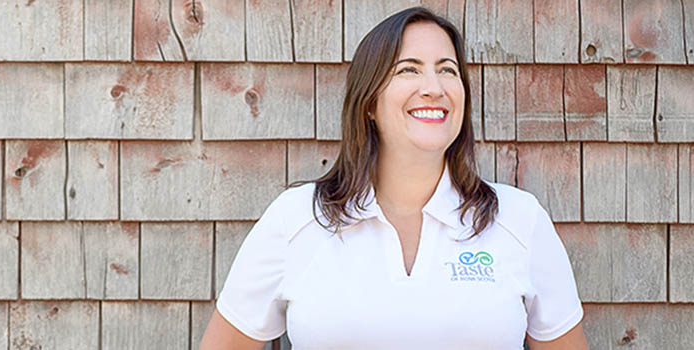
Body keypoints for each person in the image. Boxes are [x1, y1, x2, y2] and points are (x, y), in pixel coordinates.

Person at [200, 7, 588, 350]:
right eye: (409, 69)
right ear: (369, 100)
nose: (433, 88)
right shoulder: (296, 218)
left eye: (447, 71)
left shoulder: (520, 220)